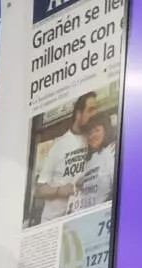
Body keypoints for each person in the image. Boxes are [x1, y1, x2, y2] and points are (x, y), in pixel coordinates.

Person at [33, 92, 98, 224]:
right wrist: (59, 191)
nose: (94, 114)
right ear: (79, 114)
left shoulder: (93, 139)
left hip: (77, 219)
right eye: (90, 110)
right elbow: (39, 190)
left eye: (95, 110)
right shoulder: (59, 145)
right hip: (52, 222)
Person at [71, 114, 117, 215]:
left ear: (106, 130)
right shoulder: (86, 161)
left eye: (97, 130)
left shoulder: (110, 153)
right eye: (90, 132)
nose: (92, 136)